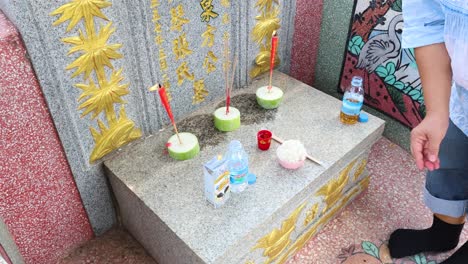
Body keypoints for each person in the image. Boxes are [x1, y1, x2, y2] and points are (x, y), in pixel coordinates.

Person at [387, 0, 468, 263]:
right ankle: (443, 234)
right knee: (448, 165)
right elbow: (430, 25)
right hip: (461, 99)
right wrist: (437, 112)